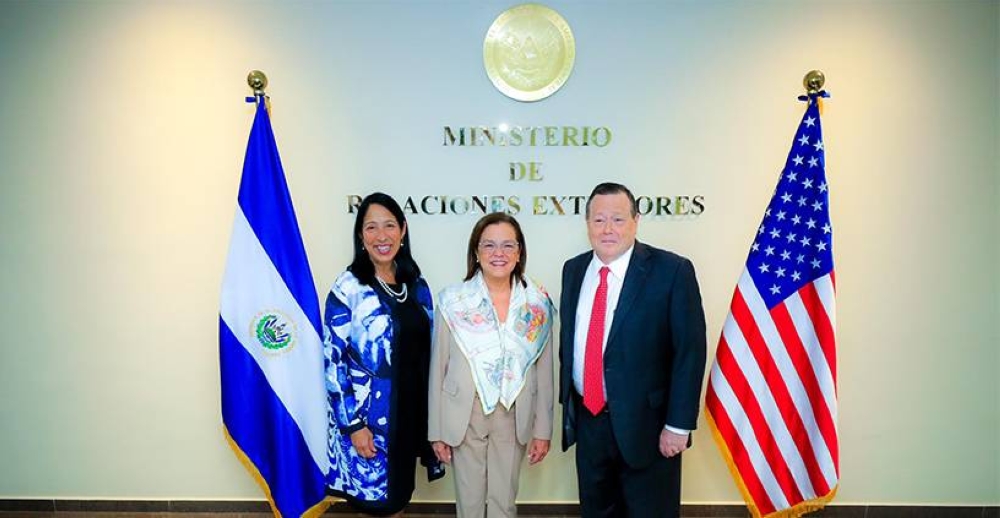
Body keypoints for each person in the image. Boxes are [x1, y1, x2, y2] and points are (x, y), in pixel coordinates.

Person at [559, 182, 707, 517]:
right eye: (598, 220)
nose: (607, 229)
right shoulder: (574, 269)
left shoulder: (671, 271)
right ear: (587, 225)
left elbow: (690, 352)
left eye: (618, 219)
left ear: (636, 221)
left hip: (650, 429)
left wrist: (679, 425)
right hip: (590, 422)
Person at [323, 192, 445, 517]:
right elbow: (333, 364)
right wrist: (353, 426)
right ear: (361, 236)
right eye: (372, 227)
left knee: (399, 500)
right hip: (369, 423)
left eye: (389, 225)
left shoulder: (417, 286)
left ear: (402, 230)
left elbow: (430, 351)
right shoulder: (347, 288)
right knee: (376, 506)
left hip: (409, 418)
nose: (382, 236)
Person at [428, 212, 555, 518]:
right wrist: (436, 430)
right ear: (476, 251)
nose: (499, 253)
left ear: (519, 252)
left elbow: (546, 373)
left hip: (514, 414)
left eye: (508, 245)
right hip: (464, 413)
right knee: (469, 504)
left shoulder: (538, 304)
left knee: (504, 503)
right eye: (489, 245)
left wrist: (543, 430)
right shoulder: (453, 300)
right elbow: (438, 367)